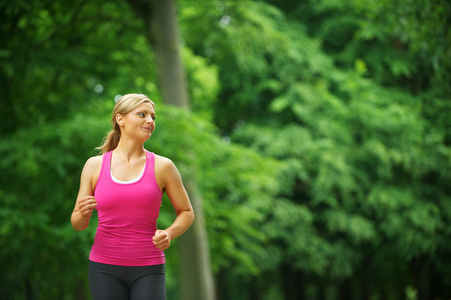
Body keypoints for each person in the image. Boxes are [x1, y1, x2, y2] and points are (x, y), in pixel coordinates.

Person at [71, 93, 195, 300]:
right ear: (121, 119)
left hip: (149, 268)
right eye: (142, 114)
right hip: (104, 267)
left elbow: (187, 212)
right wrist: (83, 214)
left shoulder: (163, 166)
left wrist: (170, 233)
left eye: (153, 117)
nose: (150, 121)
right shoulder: (94, 166)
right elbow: (77, 223)